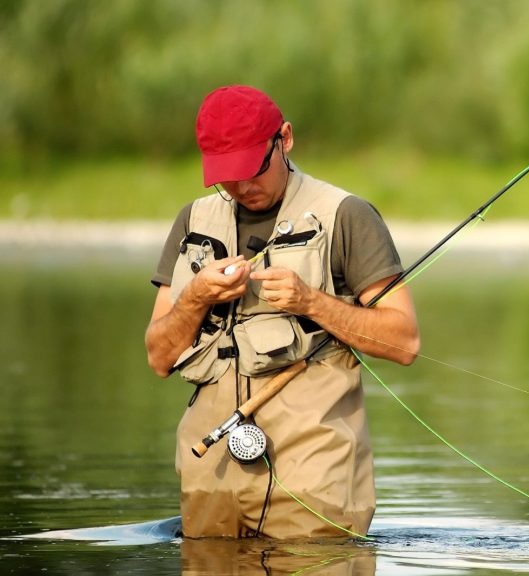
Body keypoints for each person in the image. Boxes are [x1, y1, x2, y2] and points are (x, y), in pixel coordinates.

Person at [145, 85, 420, 539]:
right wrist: (195, 296)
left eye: (253, 169)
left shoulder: (347, 215)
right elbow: (158, 358)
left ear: (285, 139)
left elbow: (405, 341)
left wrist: (310, 301)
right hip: (209, 476)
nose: (242, 187)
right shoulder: (191, 221)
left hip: (315, 482)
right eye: (226, 176)